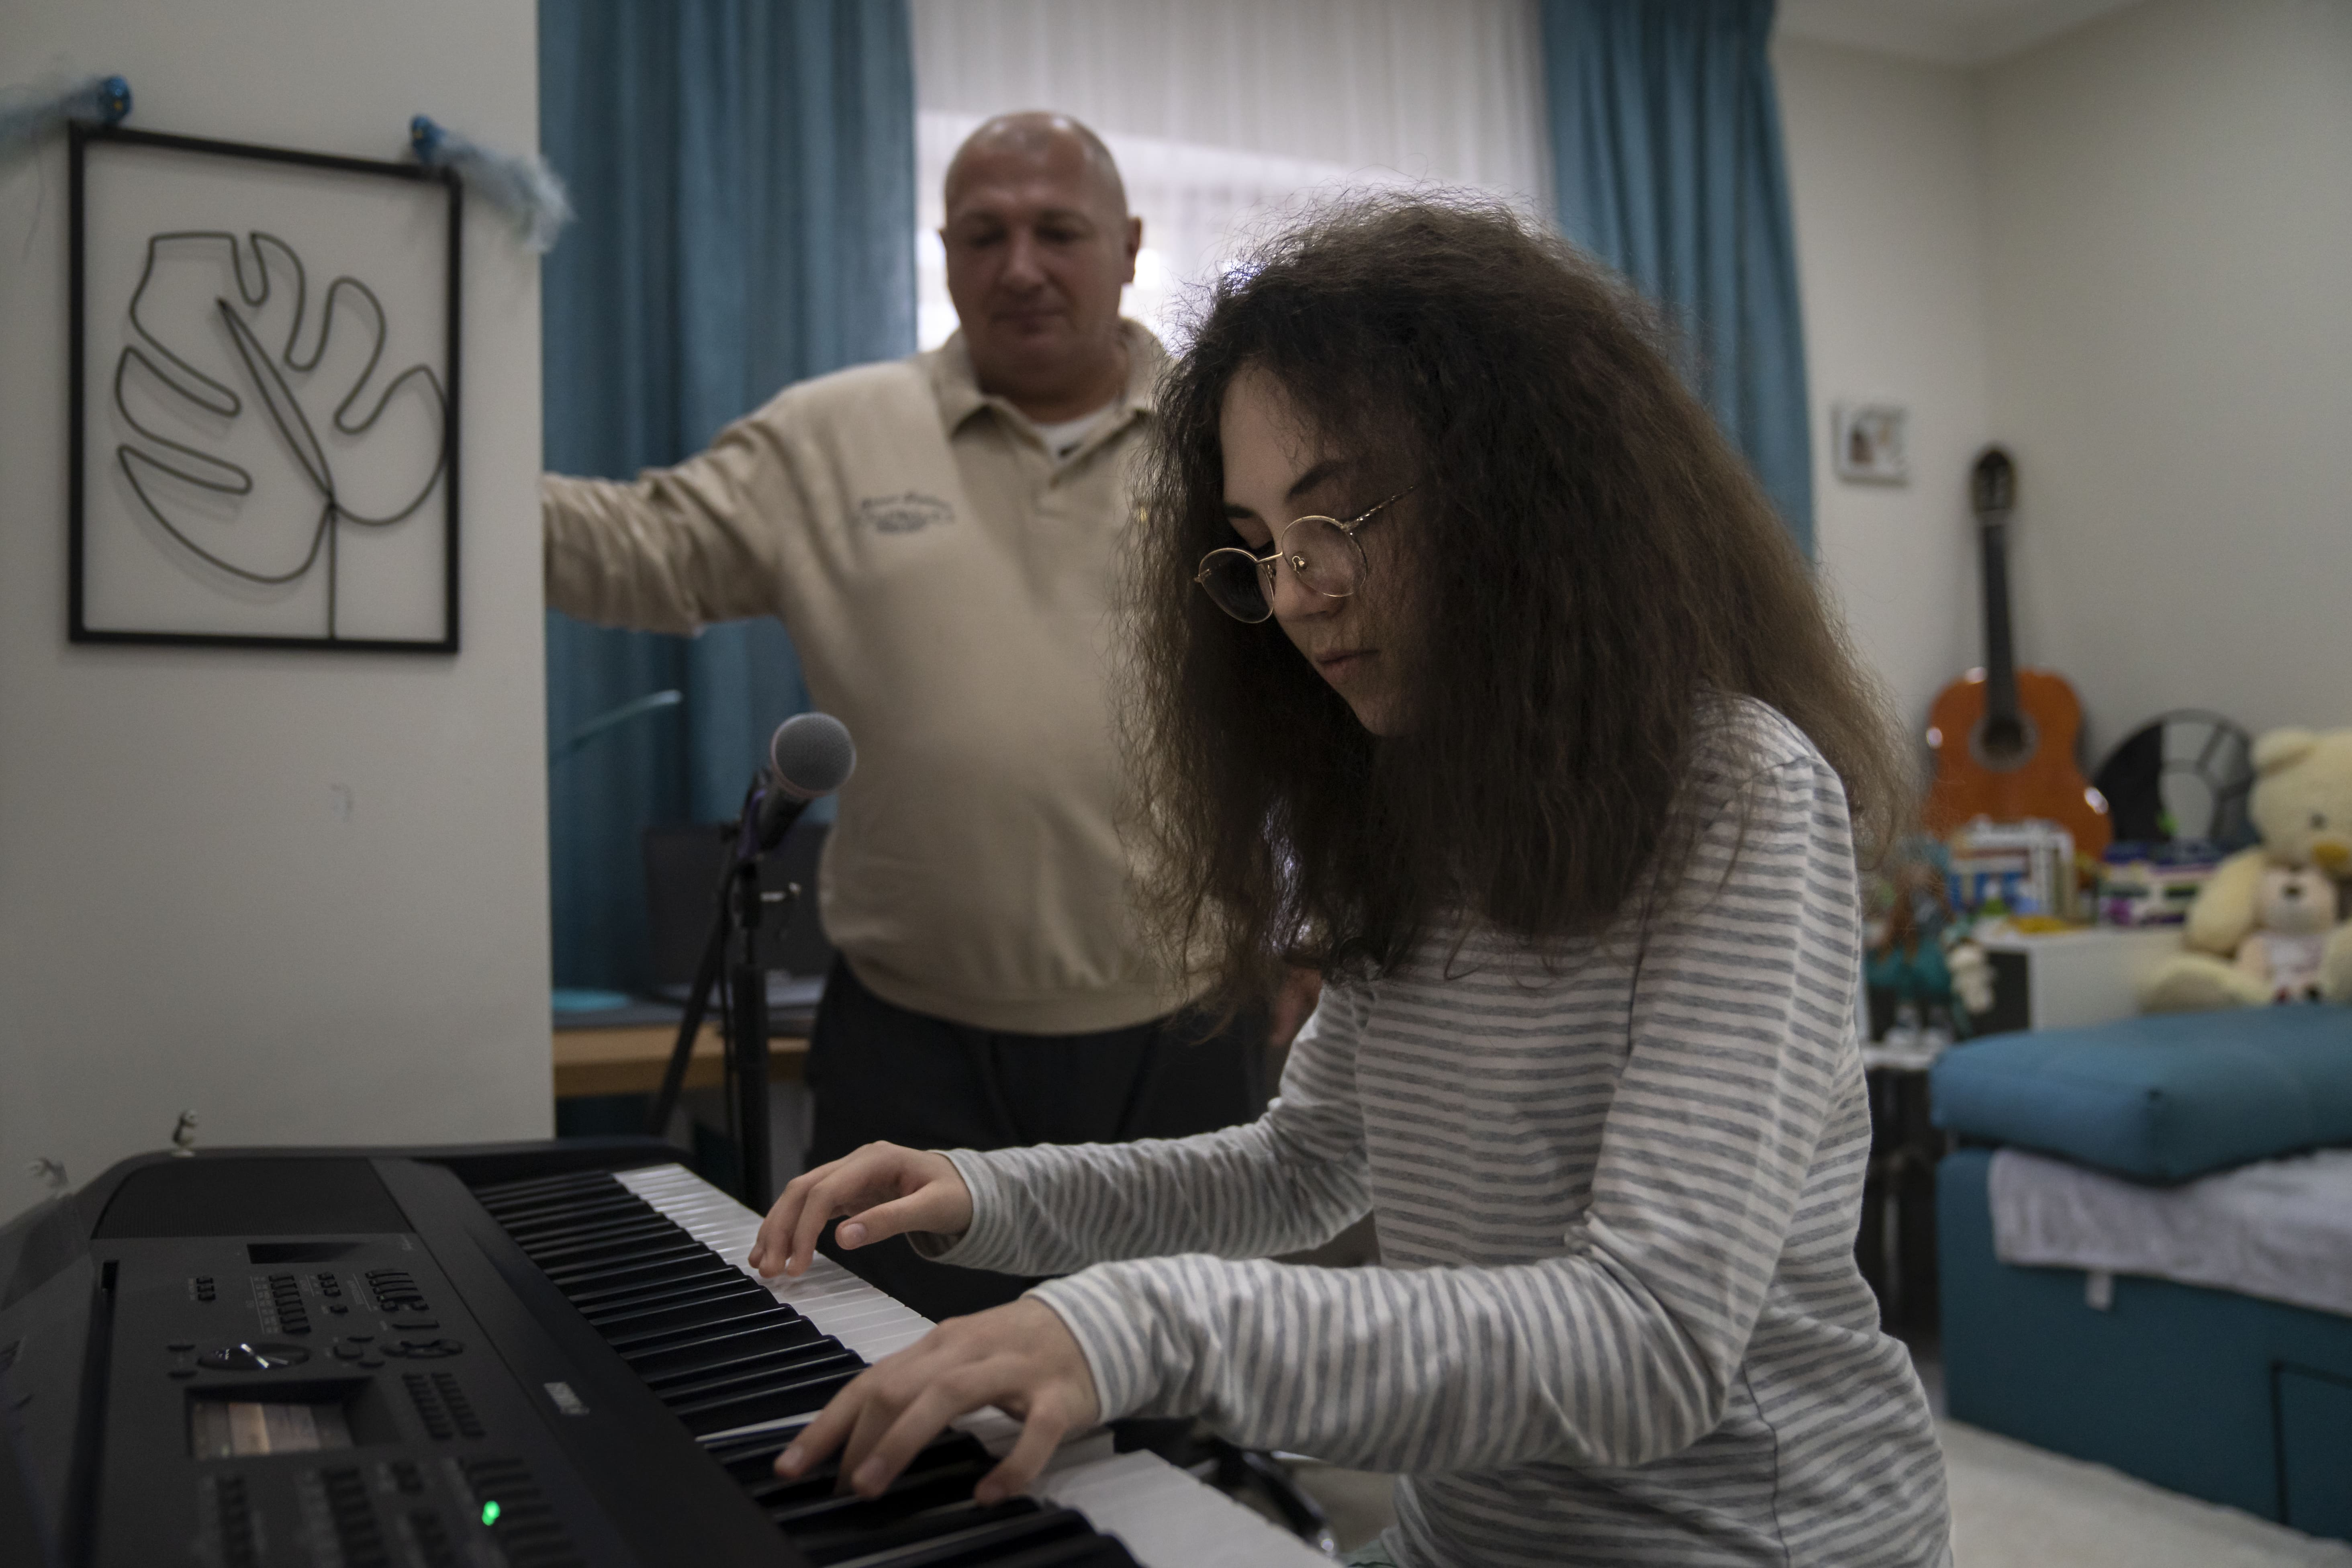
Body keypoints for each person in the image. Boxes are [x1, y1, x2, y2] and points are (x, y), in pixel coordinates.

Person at [746, 197, 1953, 1566]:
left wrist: (1138, 1326)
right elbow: (1305, 1169)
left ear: (1527, 492)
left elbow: (1651, 1340)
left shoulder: (1739, 788)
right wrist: (987, 1194)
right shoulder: (1409, 801)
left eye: (1335, 521)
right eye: (1259, 542)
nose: (1298, 591)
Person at [543, 112, 1285, 1321]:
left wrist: (1325, 931)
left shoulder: (1234, 439)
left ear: (1132, 245)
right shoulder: (834, 436)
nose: (1022, 266)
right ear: (943, 252)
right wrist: (441, 480)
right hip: (912, 1045)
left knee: (1160, 1405)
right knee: (904, 1392)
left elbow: (1328, 683)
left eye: (1058, 231)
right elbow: (647, 548)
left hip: (1178, 1038)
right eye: (984, 235)